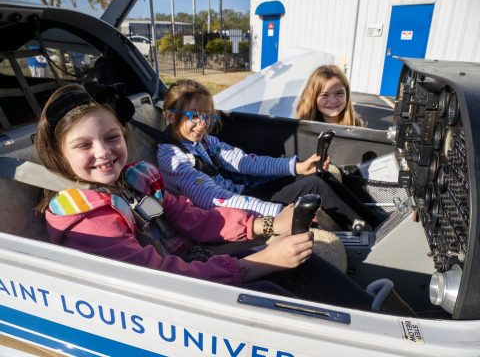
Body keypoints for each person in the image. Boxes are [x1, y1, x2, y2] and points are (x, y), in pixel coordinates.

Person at [34, 82, 393, 312]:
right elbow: (160, 278)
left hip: (192, 262)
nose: (104, 152)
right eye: (83, 145)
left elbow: (195, 217)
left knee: (302, 260)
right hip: (167, 297)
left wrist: (267, 224)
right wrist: (260, 262)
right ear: (58, 155)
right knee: (268, 289)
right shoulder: (87, 220)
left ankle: (368, 311)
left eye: (112, 137)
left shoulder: (134, 178)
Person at [156, 79, 376, 231]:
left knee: (315, 176)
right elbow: (214, 199)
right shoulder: (172, 158)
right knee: (315, 186)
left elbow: (245, 162)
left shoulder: (205, 141)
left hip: (243, 194)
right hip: (230, 214)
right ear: (169, 117)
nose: (202, 124)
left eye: (207, 116)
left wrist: (295, 167)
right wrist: (276, 212)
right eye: (193, 116)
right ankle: (369, 231)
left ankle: (372, 219)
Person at [296, 64, 366, 126]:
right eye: (324, 95)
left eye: (339, 93)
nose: (333, 101)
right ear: (313, 98)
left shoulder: (357, 127)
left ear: (347, 94)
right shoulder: (299, 129)